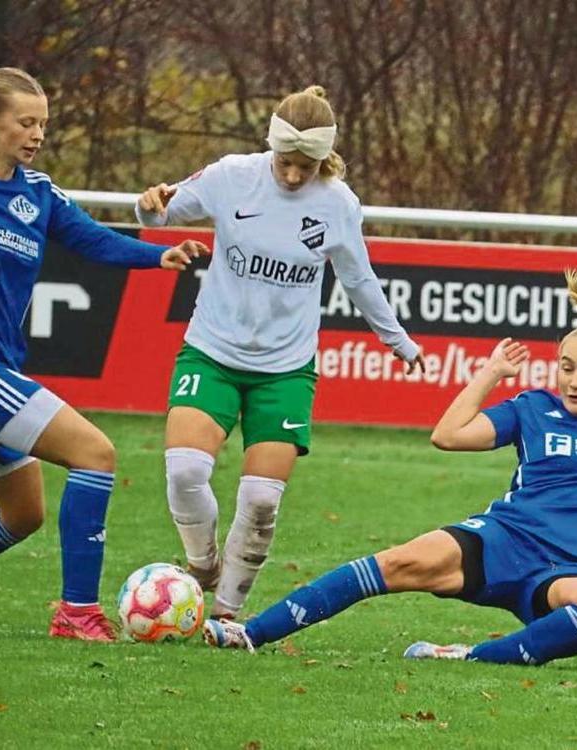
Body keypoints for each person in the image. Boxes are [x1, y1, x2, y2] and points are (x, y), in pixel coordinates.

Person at [203, 268, 577, 666]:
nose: (574, 380)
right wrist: (490, 374)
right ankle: (250, 633)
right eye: (566, 367)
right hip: (502, 540)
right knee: (394, 562)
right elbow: (447, 436)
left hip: (569, 569)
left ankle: (470, 656)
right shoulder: (533, 408)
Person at [0, 67, 210, 642]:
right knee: (95, 453)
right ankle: (77, 613)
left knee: (23, 515)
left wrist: (157, 257)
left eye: (43, 123)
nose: (38, 133)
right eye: (26, 122)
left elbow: (91, 237)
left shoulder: (38, 193)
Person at [135, 85, 425, 620]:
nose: (294, 175)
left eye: (307, 166)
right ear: (270, 147)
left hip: (285, 371)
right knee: (184, 472)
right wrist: (148, 203)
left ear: (325, 158)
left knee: (262, 500)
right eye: (286, 163)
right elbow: (158, 214)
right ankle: (202, 568)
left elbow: (358, 278)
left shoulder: (338, 203)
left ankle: (224, 614)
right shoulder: (230, 176)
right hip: (212, 352)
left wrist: (396, 340)